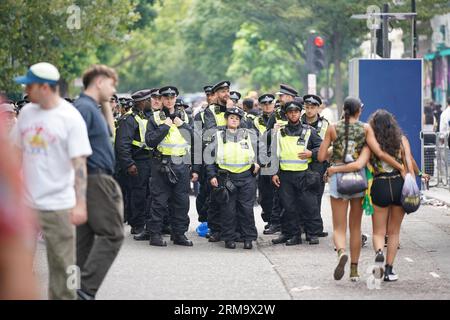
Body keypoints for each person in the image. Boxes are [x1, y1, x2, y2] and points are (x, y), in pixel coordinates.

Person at [13, 62, 92, 299]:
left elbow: (80, 165)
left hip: (60, 206)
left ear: (45, 87)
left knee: (64, 268)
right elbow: (14, 154)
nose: (26, 91)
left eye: (29, 86)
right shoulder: (26, 113)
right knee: (18, 267)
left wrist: (80, 203)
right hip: (25, 206)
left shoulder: (70, 118)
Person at [318, 97, 404, 282]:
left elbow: (321, 156)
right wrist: (402, 167)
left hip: (338, 179)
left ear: (344, 109)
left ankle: (341, 252)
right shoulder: (366, 129)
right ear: (360, 110)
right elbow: (377, 153)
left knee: (339, 227)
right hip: (358, 180)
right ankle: (354, 270)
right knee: (355, 227)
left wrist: (335, 152)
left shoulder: (332, 127)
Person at [74, 64, 124, 300]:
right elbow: (77, 153)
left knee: (84, 240)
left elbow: (110, 132)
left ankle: (73, 289)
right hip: (93, 177)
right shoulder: (83, 108)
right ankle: (85, 289)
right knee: (113, 233)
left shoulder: (91, 107)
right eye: (112, 84)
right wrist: (79, 195)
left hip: (96, 177)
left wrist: (105, 103)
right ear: (99, 81)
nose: (114, 91)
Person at [145, 86, 193, 247]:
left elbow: (195, 139)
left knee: (181, 201)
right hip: (162, 164)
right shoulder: (155, 118)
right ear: (162, 99)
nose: (169, 100)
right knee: (159, 201)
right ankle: (155, 235)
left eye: (172, 97)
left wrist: (182, 126)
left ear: (176, 97)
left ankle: (179, 234)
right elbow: (150, 141)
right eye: (166, 97)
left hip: (181, 163)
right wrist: (165, 126)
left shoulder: (185, 116)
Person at [206, 107, 260, 249]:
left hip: (247, 176)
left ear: (240, 121)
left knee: (246, 209)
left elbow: (260, 151)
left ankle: (248, 238)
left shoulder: (249, 135)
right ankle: (228, 238)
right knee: (228, 210)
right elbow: (209, 157)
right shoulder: (217, 136)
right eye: (231, 117)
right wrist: (211, 175)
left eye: (237, 118)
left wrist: (258, 163)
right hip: (226, 177)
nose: (234, 120)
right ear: (226, 119)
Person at [271, 101, 322, 246]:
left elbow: (322, 147)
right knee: (288, 206)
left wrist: (311, 153)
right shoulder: (279, 132)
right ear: (286, 114)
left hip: (303, 174)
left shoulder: (309, 130)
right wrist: (274, 173)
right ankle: (292, 234)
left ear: (300, 113)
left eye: (296, 111)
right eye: (290, 112)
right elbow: (274, 153)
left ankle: (312, 234)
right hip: (285, 175)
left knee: (309, 205)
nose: (293, 114)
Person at [115, 89, 153, 237]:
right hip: (138, 162)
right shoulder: (128, 119)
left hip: (150, 161)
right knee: (138, 194)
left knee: (150, 194)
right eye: (149, 100)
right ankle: (137, 225)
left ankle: (148, 223)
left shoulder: (150, 116)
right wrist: (129, 164)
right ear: (142, 102)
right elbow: (122, 144)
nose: (152, 102)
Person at [301, 94, 329, 240]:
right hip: (300, 163)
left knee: (316, 196)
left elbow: (329, 146)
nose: (309, 110)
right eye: (307, 107)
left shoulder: (325, 124)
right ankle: (303, 227)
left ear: (318, 108)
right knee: (301, 197)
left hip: (318, 164)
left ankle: (315, 228)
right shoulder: (297, 122)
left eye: (312, 107)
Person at [252, 94, 279, 234]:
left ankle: (278, 221)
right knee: (265, 193)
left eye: (270, 102)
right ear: (260, 105)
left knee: (279, 193)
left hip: (279, 159)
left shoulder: (281, 116)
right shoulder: (256, 121)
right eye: (264, 103)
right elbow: (256, 140)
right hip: (263, 159)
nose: (268, 105)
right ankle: (269, 220)